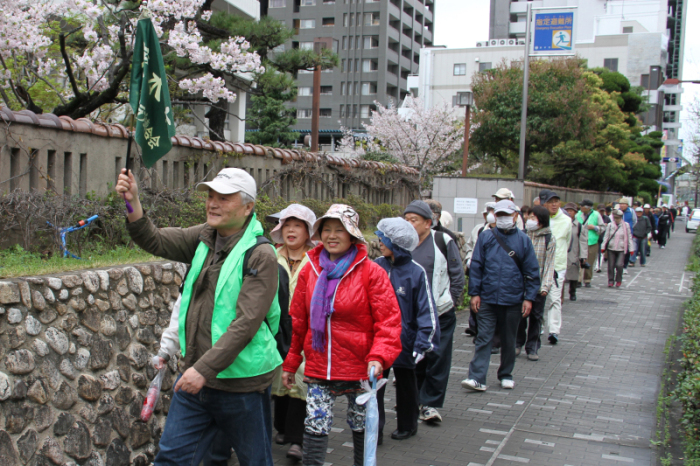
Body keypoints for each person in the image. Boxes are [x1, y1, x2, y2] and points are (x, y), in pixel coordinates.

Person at [116, 167, 281, 466]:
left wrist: (203, 370)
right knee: (170, 459)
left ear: (248, 207)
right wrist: (132, 201)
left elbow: (246, 324)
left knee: (255, 460)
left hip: (240, 384)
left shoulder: (261, 255)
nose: (213, 203)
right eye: (211, 195)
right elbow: (152, 239)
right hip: (195, 381)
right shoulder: (204, 236)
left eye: (224, 197)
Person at [281, 204, 402, 466]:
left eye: (340, 230)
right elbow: (299, 322)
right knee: (314, 426)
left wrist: (379, 356)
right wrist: (291, 362)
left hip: (359, 367)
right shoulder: (310, 270)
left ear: (353, 236)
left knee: (361, 427)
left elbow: (389, 322)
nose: (332, 236)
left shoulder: (372, 273)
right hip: (317, 366)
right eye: (326, 230)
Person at [461, 200, 540, 391]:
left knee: (509, 339)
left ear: (515, 216)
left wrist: (529, 297)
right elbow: (477, 266)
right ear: (495, 216)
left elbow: (532, 270)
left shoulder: (523, 240)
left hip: (513, 299)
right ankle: (477, 377)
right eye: (500, 215)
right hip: (488, 297)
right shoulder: (486, 237)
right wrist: (474, 293)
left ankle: (506, 373)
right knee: (483, 338)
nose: (503, 218)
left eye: (507, 215)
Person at [374, 217, 439, 442]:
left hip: (405, 341)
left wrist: (423, 341)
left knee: (406, 385)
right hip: (379, 340)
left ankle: (408, 424)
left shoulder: (416, 272)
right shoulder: (376, 265)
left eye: (384, 238)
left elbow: (426, 310)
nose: (379, 241)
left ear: (398, 243)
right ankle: (375, 428)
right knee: (375, 387)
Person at [404, 200, 465, 423]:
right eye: (406, 219)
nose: (409, 224)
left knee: (438, 358)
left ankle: (430, 403)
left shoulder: (443, 240)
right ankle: (415, 398)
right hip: (412, 314)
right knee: (414, 357)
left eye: (414, 220)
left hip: (440, 311)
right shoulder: (403, 244)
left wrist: (452, 301)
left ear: (428, 223)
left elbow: (457, 273)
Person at [268, 204, 318, 460]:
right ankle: (283, 427)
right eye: (287, 224)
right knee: (278, 375)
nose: (291, 230)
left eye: (297, 225)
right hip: (275, 327)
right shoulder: (269, 256)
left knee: (300, 376)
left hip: (305, 328)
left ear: (307, 231)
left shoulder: (317, 260)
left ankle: (297, 439)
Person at [517, 206, 556, 361]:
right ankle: (517, 343)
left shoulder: (549, 239)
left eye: (534, 218)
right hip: (521, 283)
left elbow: (549, 265)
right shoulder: (523, 235)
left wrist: (546, 286)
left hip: (539, 285)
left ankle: (532, 346)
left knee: (536, 316)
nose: (530, 220)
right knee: (520, 315)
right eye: (529, 217)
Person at [540, 190, 571, 345]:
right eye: (551, 201)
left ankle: (554, 330)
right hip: (540, 264)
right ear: (544, 203)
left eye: (556, 201)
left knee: (555, 299)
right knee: (539, 298)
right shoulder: (539, 219)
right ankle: (539, 326)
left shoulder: (566, 220)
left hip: (558, 266)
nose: (554, 204)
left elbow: (568, 242)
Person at [464, 202, 496, 337]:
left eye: (493, 212)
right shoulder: (479, 229)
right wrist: (469, 259)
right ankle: (474, 326)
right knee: (475, 296)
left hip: (491, 272)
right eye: (487, 212)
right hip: (477, 267)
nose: (489, 215)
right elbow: (470, 245)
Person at [601, 209, 635, 287]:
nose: (617, 219)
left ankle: (619, 279)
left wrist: (631, 248)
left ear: (621, 217)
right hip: (611, 248)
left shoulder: (626, 225)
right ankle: (611, 280)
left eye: (618, 218)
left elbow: (629, 237)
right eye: (615, 218)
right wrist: (603, 247)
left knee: (619, 265)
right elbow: (606, 236)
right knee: (611, 265)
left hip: (621, 248)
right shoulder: (610, 225)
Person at [575, 200, 603, 288]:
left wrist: (595, 227)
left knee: (590, 261)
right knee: (579, 260)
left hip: (592, 241)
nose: (581, 207)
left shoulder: (596, 215)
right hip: (579, 241)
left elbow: (603, 227)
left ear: (588, 207)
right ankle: (578, 279)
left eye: (582, 206)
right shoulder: (577, 214)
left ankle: (587, 279)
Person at [563, 203, 588, 301]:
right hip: (563, 252)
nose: (569, 213)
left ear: (575, 212)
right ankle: (560, 295)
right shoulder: (562, 223)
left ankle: (572, 292)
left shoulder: (579, 226)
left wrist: (583, 256)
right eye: (567, 211)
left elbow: (583, 241)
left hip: (574, 252)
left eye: (571, 211)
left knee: (573, 274)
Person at [618, 198, 636, 273]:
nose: (622, 205)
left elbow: (635, 221)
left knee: (627, 251)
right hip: (619, 234)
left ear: (627, 205)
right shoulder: (617, 211)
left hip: (628, 234)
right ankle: (618, 266)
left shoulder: (631, 211)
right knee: (618, 250)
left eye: (623, 204)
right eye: (620, 204)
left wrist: (630, 228)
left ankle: (625, 266)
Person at [594, 204, 611, 273]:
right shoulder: (594, 217)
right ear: (597, 210)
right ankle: (596, 265)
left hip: (603, 237)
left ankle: (599, 266)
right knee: (595, 252)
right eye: (600, 211)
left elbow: (611, 227)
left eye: (603, 211)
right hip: (595, 237)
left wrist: (607, 226)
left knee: (601, 252)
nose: (601, 212)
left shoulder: (607, 218)